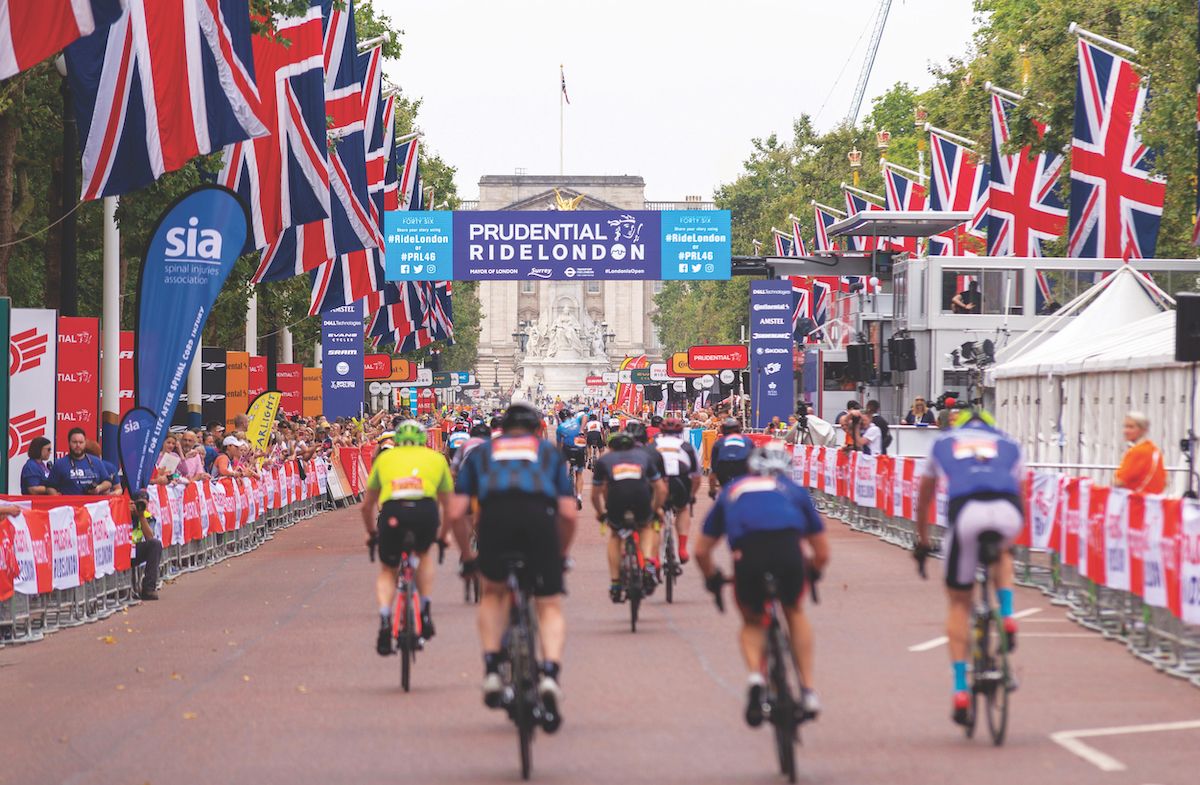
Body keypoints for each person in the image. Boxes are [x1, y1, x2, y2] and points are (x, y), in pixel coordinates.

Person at [449, 403, 577, 731]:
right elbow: (567, 513)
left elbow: (456, 511)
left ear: (502, 429)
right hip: (539, 521)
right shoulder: (547, 453)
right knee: (548, 605)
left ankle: (492, 669)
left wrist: (467, 555)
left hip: (496, 521)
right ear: (537, 429)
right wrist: (559, 554)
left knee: (492, 594)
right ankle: (549, 673)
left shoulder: (482, 454)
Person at [695, 444, 830, 724]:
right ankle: (807, 690)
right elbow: (822, 552)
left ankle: (757, 678)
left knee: (752, 621)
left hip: (749, 554)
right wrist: (814, 572)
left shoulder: (732, 490)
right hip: (787, 550)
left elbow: (701, 551)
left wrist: (712, 578)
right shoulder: (793, 491)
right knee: (794, 609)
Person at [913, 408, 1024, 727]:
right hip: (1007, 510)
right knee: (1003, 553)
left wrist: (922, 540)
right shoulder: (1009, 443)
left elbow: (924, 498)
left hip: (967, 513)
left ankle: (961, 689)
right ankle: (1007, 613)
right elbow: (1022, 493)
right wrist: (1014, 538)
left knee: (959, 602)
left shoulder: (943, 442)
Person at [361, 420, 453, 656]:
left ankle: (384, 619)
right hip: (425, 512)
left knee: (388, 570)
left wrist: (372, 533)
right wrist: (443, 537)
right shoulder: (436, 459)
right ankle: (424, 609)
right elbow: (449, 506)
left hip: (393, 512)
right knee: (423, 555)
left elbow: (367, 505)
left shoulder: (384, 459)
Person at [593, 428, 666, 602]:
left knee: (616, 536)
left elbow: (596, 493)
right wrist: (655, 508)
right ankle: (648, 562)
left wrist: (601, 513)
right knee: (646, 527)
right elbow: (660, 489)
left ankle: (616, 583)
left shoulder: (605, 460)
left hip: (616, 500)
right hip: (641, 498)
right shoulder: (644, 457)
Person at [653, 417, 701, 563]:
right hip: (679, 480)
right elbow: (696, 476)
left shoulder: (653, 444)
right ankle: (682, 548)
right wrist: (691, 495)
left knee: (653, 514)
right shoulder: (686, 446)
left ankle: (654, 557)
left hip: (659, 482)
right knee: (682, 509)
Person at [48, 428, 115, 495]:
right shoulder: (60, 464)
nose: (78, 445)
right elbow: (50, 487)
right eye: (74, 442)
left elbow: (108, 482)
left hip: (92, 504)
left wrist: (99, 488)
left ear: (85, 443)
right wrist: (57, 499)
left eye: (81, 442)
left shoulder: (96, 462)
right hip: (70, 504)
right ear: (69, 443)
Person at [1115, 411, 1167, 495]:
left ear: (1143, 430)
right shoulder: (1154, 450)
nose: (1125, 431)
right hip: (1154, 501)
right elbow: (1164, 481)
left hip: (1136, 501)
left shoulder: (1136, 451)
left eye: (1131, 427)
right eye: (1125, 426)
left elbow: (1119, 481)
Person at [129, 491, 163, 601]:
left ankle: (148, 589)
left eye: (144, 503)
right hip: (121, 549)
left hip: (135, 551)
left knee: (155, 544)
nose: (141, 506)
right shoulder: (121, 512)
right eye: (138, 503)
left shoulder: (147, 517)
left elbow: (150, 537)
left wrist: (141, 516)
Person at [708, 418, 752, 497]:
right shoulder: (748, 441)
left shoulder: (719, 443)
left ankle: (723, 500)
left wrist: (712, 490)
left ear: (723, 430)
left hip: (723, 467)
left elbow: (713, 472)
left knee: (724, 490)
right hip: (742, 466)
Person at [555, 409, 587, 509]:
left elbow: (559, 445)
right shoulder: (577, 420)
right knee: (579, 473)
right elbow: (586, 416)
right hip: (580, 446)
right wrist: (581, 429)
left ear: (560, 418)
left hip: (568, 449)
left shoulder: (560, 428)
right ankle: (579, 496)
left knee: (562, 467)